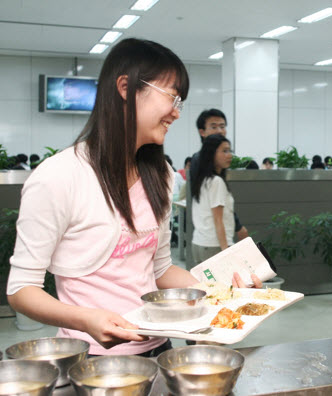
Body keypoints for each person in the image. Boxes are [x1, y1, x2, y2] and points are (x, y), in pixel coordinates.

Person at [7, 38, 198, 356]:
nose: (176, 113)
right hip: (92, 359)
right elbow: (21, 289)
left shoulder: (160, 173)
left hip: (161, 347)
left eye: (181, 102)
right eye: (172, 97)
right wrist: (85, 320)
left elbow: (161, 270)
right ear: (126, 87)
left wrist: (221, 291)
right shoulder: (58, 177)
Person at [192, 108, 249, 240]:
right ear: (202, 132)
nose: (219, 130)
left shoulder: (214, 160)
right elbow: (214, 204)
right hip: (213, 236)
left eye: (222, 126)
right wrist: (238, 227)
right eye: (213, 127)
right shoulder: (200, 160)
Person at [189, 134, 236, 266]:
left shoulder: (202, 180)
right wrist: (225, 250)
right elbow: (218, 219)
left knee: (204, 285)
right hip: (213, 246)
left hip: (199, 243)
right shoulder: (216, 182)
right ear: (211, 154)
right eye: (224, 151)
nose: (229, 155)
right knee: (220, 286)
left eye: (230, 151)